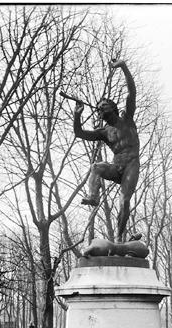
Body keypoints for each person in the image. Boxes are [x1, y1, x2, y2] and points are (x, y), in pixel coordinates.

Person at [73, 59, 139, 243]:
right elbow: (80, 133)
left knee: (124, 201)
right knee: (96, 167)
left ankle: (119, 239)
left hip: (131, 165)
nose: (100, 111)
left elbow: (132, 92)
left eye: (103, 107)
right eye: (98, 109)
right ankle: (93, 197)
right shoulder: (104, 132)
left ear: (113, 108)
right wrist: (77, 115)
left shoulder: (127, 119)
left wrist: (123, 66)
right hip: (117, 167)